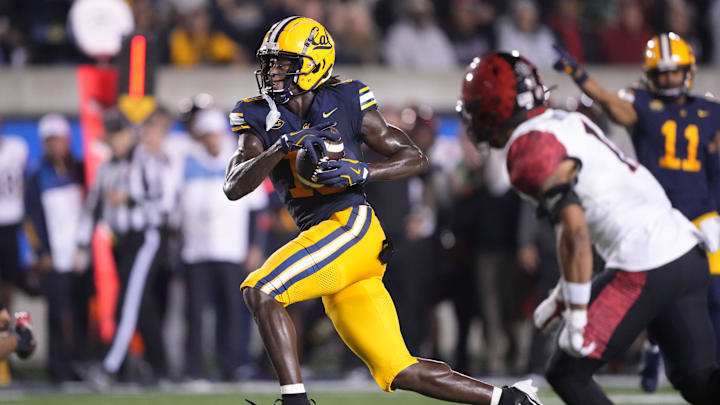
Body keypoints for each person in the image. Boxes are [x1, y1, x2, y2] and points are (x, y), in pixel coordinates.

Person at [224, 16, 540, 405]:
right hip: (328, 241)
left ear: (313, 62)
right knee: (398, 369)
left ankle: (294, 401)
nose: (272, 71)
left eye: (283, 62)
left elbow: (414, 156)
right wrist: (278, 149)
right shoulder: (257, 114)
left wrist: (364, 170)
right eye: (270, 62)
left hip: (351, 226)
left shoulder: (346, 98)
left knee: (261, 289)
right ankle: (513, 400)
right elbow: (233, 186)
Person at [458, 51, 720, 405]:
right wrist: (565, 296)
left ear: (496, 107)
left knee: (567, 373)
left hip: (644, 263)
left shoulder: (528, 149)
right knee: (701, 382)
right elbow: (596, 216)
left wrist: (578, 313)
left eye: (476, 108)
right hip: (685, 252)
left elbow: (575, 233)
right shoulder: (564, 121)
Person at [552, 32, 720, 391]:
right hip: (658, 217)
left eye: (675, 72)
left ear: (688, 71)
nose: (669, 80)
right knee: (659, 294)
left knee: (715, 292)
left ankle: (704, 363)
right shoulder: (640, 103)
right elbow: (612, 103)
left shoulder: (711, 112)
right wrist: (579, 76)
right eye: (661, 73)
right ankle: (657, 350)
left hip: (702, 213)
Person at [75, 110, 168, 383]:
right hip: (123, 243)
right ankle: (160, 369)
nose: (114, 140)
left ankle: (109, 367)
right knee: (141, 305)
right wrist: (81, 245)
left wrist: (129, 199)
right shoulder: (106, 167)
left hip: (146, 238)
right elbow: (93, 207)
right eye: (111, 134)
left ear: (129, 134)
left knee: (127, 303)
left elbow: (163, 202)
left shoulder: (146, 161)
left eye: (118, 133)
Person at [178, 107, 268, 381]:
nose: (212, 140)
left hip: (232, 249)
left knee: (232, 311)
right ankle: (193, 368)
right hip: (196, 251)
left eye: (215, 135)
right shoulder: (186, 161)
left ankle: (233, 364)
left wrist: (255, 246)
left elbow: (258, 210)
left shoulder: (240, 160)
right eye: (207, 135)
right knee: (194, 312)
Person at [24, 113, 90, 383]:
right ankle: (58, 368)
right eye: (50, 141)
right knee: (58, 314)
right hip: (54, 258)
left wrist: (84, 247)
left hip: (79, 255)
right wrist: (42, 253)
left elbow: (90, 209)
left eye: (59, 139)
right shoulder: (37, 175)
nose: (55, 145)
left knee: (81, 312)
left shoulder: (80, 170)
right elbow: (31, 220)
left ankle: (80, 364)